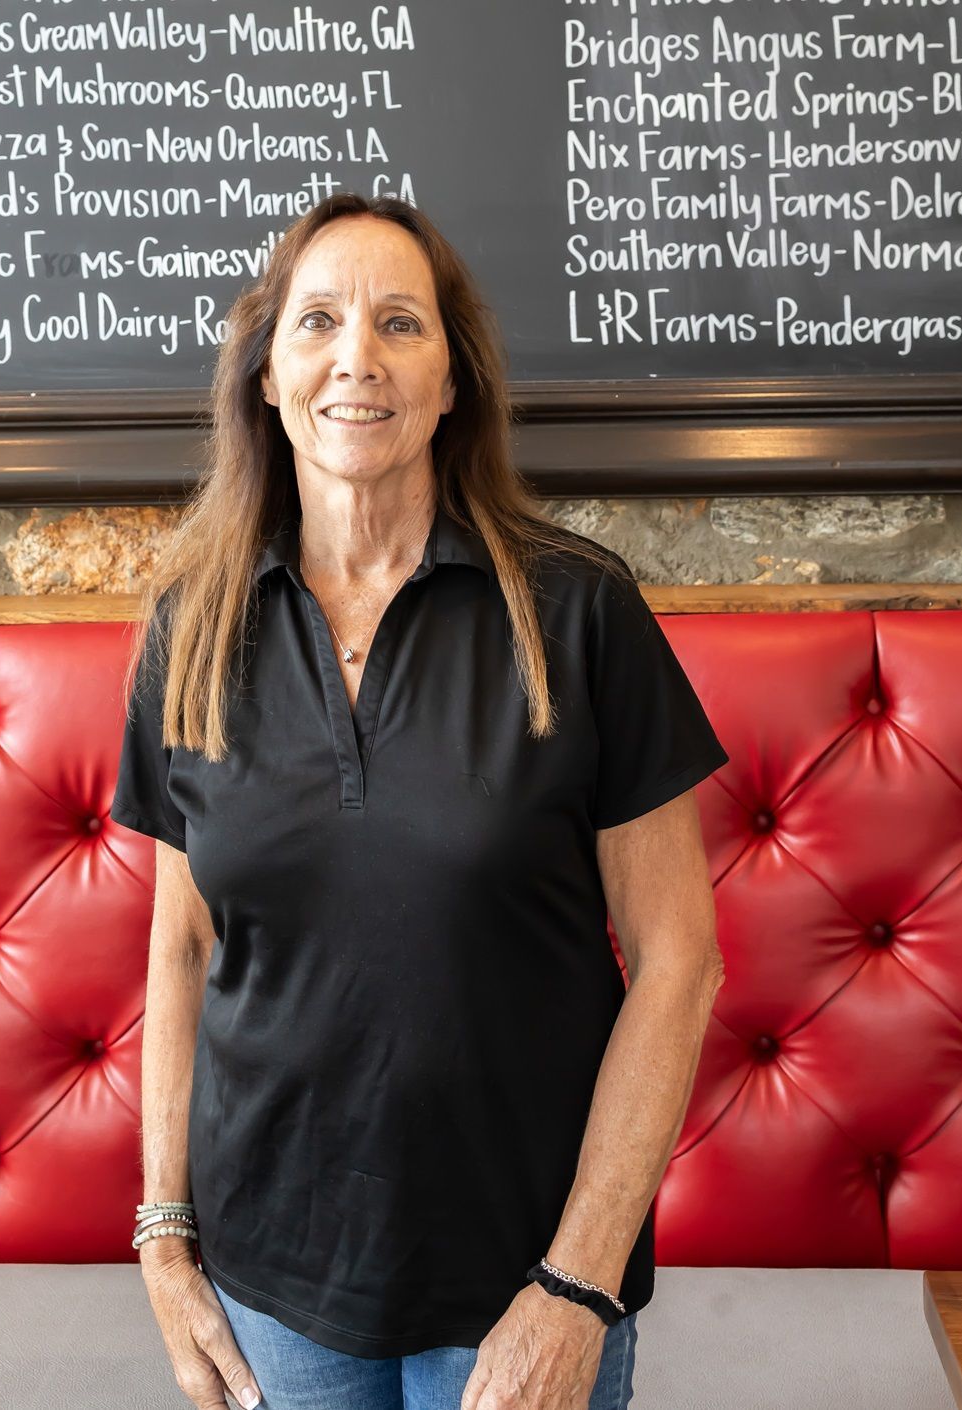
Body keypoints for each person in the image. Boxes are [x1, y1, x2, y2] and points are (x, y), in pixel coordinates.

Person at [111, 192, 730, 1410]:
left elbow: (679, 962)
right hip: (269, 1289)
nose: (358, 358)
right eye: (319, 323)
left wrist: (577, 1288)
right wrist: (165, 1244)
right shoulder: (191, 627)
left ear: (453, 383)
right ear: (268, 376)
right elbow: (182, 950)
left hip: (524, 1282)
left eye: (401, 324)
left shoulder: (577, 613)